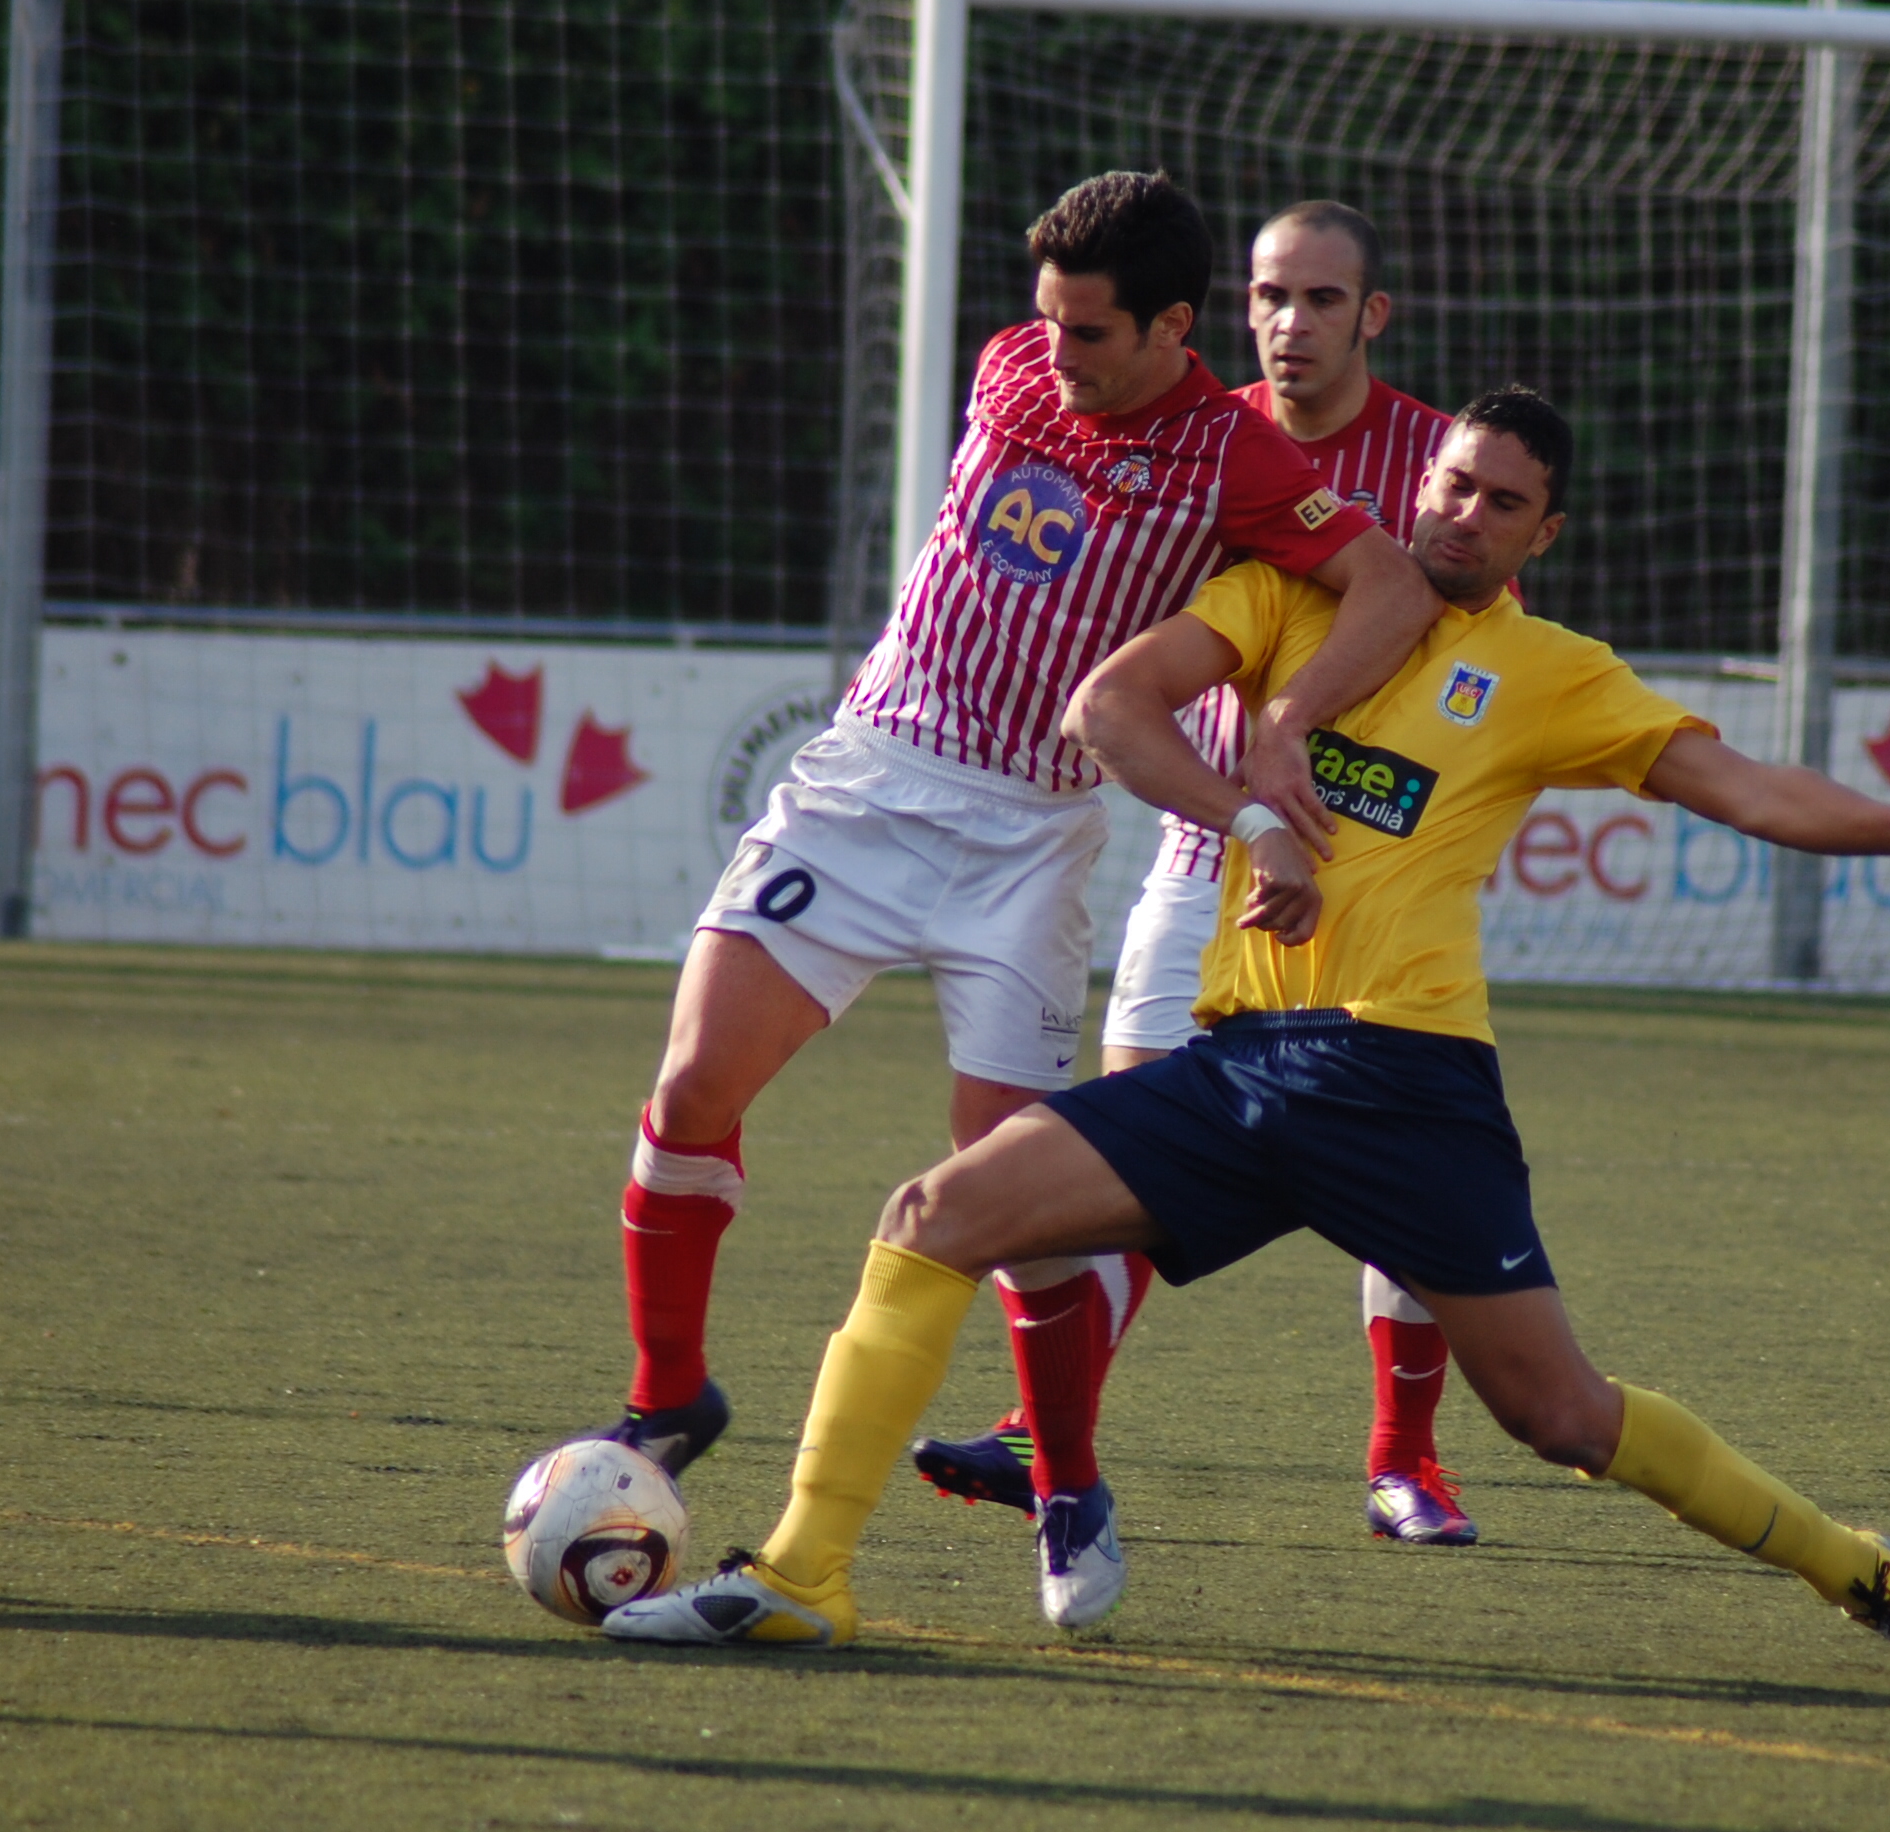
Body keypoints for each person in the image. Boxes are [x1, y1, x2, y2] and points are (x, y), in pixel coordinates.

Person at [602, 388, 1890, 1684]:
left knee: (1560, 1414)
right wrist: (1249, 792)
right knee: (937, 1211)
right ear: (1416, 482)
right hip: (1238, 1064)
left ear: (1547, 530)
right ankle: (802, 1579)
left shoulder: (1549, 671)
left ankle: (1861, 1571)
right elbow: (1107, 707)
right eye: (1451, 482)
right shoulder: (1280, 600)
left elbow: (1742, 788)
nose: (1462, 512)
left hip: (1404, 1081)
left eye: (1501, 499)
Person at [573, 171, 1439, 1477]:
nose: (1056, 352)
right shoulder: (1008, 368)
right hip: (866, 783)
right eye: (1044, 319)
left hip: (1028, 836)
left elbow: (1386, 584)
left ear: (1169, 328)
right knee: (693, 1085)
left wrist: (1287, 721)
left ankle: (1061, 1476)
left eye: (1088, 331)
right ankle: (668, 1396)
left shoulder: (1231, 455)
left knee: (1015, 1197)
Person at [909, 200, 1480, 1548]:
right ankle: (1045, 1436)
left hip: (1370, 859)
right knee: (1120, 1142)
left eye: (1323, 300)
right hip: (1204, 845)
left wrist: (1316, 737)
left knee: (1402, 1159)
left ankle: (1405, 1458)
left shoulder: (1428, 461)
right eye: (1271, 296)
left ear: (1370, 317)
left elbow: (1476, 638)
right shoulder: (1203, 437)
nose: (1290, 324)